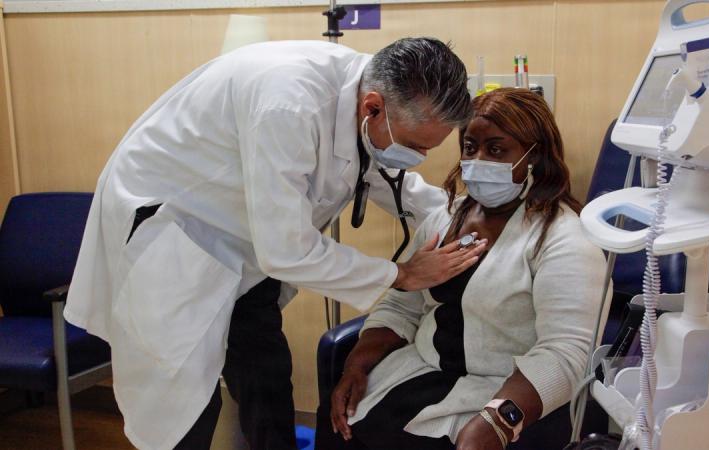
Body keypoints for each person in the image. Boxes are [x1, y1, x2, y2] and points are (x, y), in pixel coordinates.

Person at [64, 37, 487, 450]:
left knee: (266, 374)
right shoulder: (288, 103)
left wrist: (469, 213)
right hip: (176, 242)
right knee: (185, 404)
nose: (417, 158)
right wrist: (402, 274)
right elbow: (288, 250)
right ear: (372, 107)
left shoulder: (366, 97)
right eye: (413, 147)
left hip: (243, 246)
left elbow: (378, 171)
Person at [326, 88, 607, 450]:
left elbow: (566, 351)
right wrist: (357, 366)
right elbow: (402, 305)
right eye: (470, 146)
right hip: (419, 371)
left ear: (534, 156)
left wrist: (496, 422)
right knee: (342, 424)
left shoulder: (564, 239)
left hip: (498, 388)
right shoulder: (445, 217)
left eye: (496, 149)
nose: (477, 160)